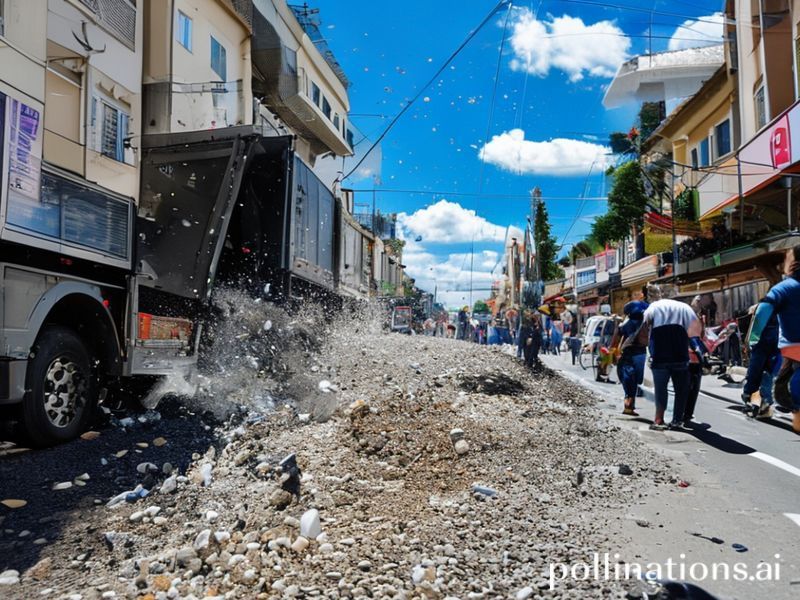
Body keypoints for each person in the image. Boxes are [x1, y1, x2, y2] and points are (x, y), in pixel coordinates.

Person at [748, 246, 800, 433]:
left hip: (773, 342)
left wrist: (752, 338)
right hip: (778, 342)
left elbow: (763, 313)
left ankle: (760, 404)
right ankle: (762, 405)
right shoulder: (782, 287)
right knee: (769, 376)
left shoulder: (781, 288)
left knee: (762, 374)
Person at [637, 284, 703, 430]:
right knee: (681, 389)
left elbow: (645, 326)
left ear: (659, 295)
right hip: (680, 354)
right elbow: (695, 331)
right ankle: (677, 420)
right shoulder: (685, 308)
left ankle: (659, 420)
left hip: (660, 354)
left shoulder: (653, 307)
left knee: (661, 389)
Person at [742, 302, 779, 419]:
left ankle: (757, 401)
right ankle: (759, 402)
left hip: (765, 345)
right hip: (767, 345)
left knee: (759, 373)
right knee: (764, 374)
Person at [616, 300, 648, 416]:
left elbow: (619, 337)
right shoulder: (645, 322)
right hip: (640, 353)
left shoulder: (625, 324)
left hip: (627, 352)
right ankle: (630, 405)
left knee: (628, 378)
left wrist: (616, 351)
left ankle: (628, 404)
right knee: (636, 379)